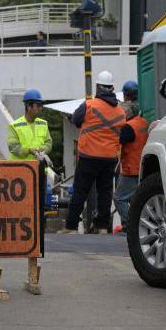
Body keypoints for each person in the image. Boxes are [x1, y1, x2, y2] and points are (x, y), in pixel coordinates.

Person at [59, 70, 124, 234]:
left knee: (80, 190)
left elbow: (76, 120)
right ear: (112, 88)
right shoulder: (121, 112)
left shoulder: (89, 105)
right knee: (105, 193)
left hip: (89, 156)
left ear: (98, 87)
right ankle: (102, 226)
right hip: (109, 158)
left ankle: (71, 226)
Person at [115, 99, 149, 230]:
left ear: (128, 112)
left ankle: (130, 225)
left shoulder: (128, 127)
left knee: (119, 198)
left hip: (131, 168)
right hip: (143, 166)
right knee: (135, 199)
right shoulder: (144, 123)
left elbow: (120, 141)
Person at [8, 89, 51, 161]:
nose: (41, 108)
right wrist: (29, 150)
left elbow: (48, 143)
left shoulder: (43, 124)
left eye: (41, 105)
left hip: (39, 168)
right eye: (38, 105)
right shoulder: (15, 126)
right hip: (21, 169)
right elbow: (13, 147)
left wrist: (41, 150)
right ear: (29, 106)